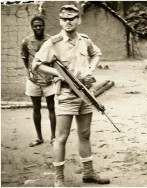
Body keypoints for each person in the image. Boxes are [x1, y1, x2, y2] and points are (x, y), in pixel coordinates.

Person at [32, 5, 110, 186]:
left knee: (84, 133)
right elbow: (37, 64)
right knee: (61, 137)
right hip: (66, 93)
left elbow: (96, 54)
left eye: (72, 18)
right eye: (64, 19)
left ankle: (88, 173)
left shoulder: (84, 40)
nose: (68, 22)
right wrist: (57, 74)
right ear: (60, 21)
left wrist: (90, 69)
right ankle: (58, 178)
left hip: (85, 94)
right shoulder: (53, 43)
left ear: (78, 20)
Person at [21, 16, 56, 147]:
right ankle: (39, 137)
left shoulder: (50, 40)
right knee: (36, 108)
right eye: (35, 26)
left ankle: (53, 137)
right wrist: (30, 71)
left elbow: (54, 59)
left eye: (40, 25)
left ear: (44, 26)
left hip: (49, 79)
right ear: (32, 27)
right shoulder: (26, 41)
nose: (38, 28)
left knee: (51, 107)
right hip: (33, 80)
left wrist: (52, 74)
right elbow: (25, 58)